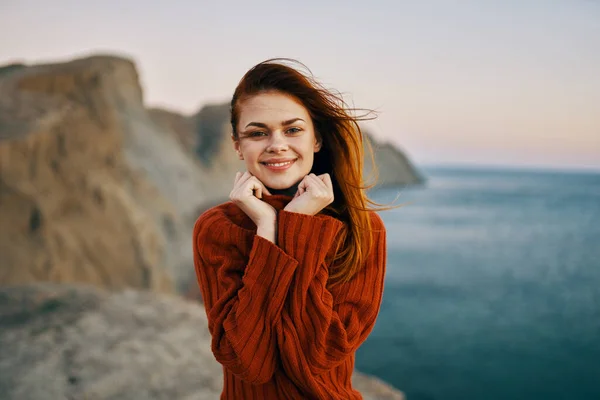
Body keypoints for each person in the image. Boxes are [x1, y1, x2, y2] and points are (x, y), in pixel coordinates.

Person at [192, 58, 390, 399]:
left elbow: (318, 356)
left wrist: (298, 226)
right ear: (238, 146)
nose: (276, 144)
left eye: (293, 129)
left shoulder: (362, 229)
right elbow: (249, 362)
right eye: (257, 133)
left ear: (316, 140)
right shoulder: (218, 228)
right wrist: (269, 228)